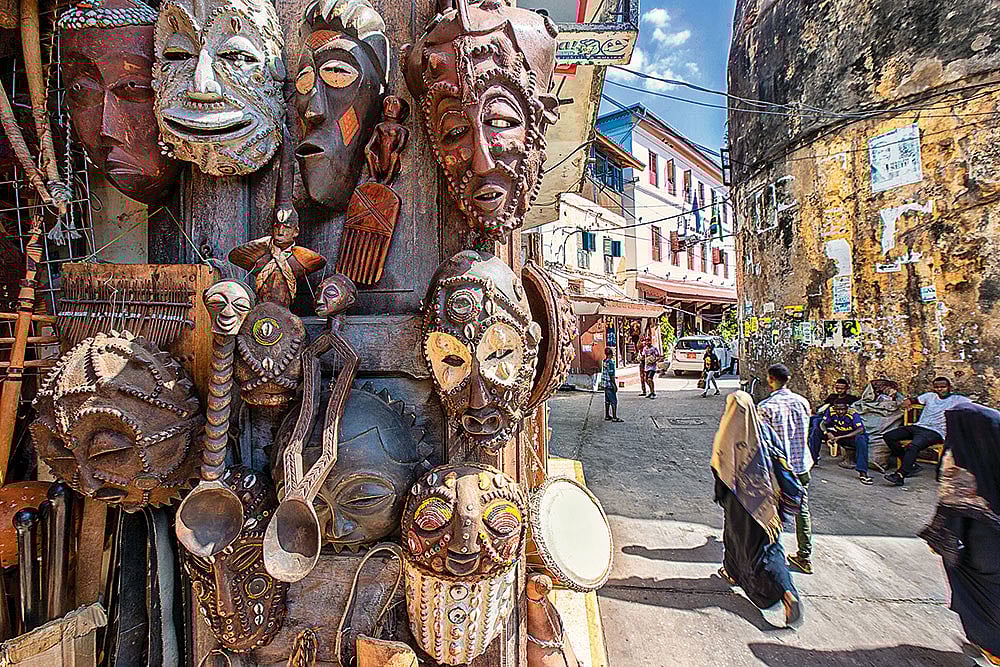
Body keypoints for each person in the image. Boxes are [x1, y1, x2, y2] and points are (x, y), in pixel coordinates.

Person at [712, 391, 803, 629]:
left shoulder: (726, 434)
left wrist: (722, 497)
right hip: (763, 503)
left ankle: (733, 572)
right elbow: (780, 460)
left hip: (736, 503)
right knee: (769, 548)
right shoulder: (764, 431)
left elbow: (719, 467)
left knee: (734, 539)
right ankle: (787, 593)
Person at [919, 403, 1000, 666]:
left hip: (980, 542)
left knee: (975, 588)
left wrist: (941, 536)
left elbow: (952, 506)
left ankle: (992, 646)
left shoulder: (961, 462)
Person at [758, 363, 815, 575]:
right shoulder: (802, 402)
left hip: (777, 468)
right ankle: (804, 555)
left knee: (770, 511)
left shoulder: (766, 407)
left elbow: (762, 442)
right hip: (801, 464)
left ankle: (770, 556)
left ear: (771, 379)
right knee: (802, 509)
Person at [883, 377, 971, 486]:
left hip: (935, 431)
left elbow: (974, 406)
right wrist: (908, 401)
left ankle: (900, 475)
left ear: (949, 387)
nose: (940, 389)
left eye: (943, 387)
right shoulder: (930, 396)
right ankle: (911, 465)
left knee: (913, 446)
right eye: (937, 387)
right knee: (889, 436)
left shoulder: (957, 399)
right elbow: (915, 400)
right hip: (919, 426)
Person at [852, 379, 906, 473]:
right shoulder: (863, 403)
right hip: (864, 429)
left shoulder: (894, 401)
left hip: (881, 430)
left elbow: (900, 404)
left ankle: (874, 462)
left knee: (879, 438)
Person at [820, 403, 873, 485]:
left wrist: (840, 437)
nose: (840, 411)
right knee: (816, 426)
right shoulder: (830, 411)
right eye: (837, 409)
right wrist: (827, 433)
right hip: (838, 435)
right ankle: (813, 459)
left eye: (843, 409)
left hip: (850, 438)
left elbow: (861, 430)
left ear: (847, 408)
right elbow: (822, 423)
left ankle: (863, 473)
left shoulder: (852, 413)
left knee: (861, 439)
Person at [601, 347, 623, 422]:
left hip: (604, 383)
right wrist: (614, 385)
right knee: (614, 400)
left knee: (607, 400)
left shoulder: (604, 361)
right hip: (609, 383)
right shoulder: (610, 363)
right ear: (611, 354)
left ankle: (607, 415)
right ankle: (614, 417)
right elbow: (611, 375)